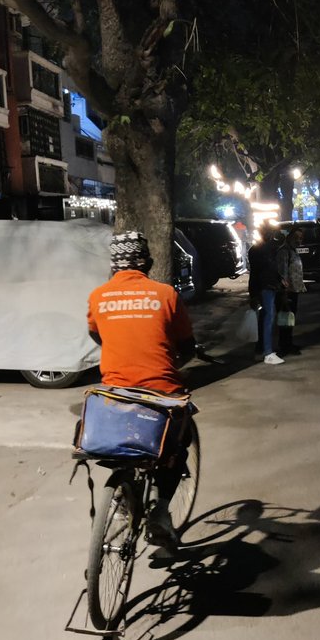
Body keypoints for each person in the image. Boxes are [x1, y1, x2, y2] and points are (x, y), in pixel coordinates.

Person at [87, 231, 196, 547]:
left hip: (115, 393)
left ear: (114, 265)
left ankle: (123, 494)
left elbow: (97, 336)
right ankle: (161, 512)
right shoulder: (165, 294)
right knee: (179, 441)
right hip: (160, 392)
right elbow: (186, 345)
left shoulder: (98, 296)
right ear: (147, 262)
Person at [247, 221, 285, 365]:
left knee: (263, 318)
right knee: (268, 318)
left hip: (260, 286)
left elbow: (254, 273)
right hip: (266, 286)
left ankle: (260, 349)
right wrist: (280, 280)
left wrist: (252, 293)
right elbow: (272, 268)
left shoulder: (254, 249)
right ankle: (268, 352)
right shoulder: (268, 249)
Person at [276, 226, 307, 355]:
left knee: (290, 319)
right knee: (285, 319)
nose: (299, 241)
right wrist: (284, 292)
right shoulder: (284, 252)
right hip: (287, 291)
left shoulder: (293, 251)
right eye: (296, 238)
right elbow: (282, 273)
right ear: (289, 237)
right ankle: (284, 346)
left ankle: (288, 344)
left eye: (300, 238)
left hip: (294, 290)